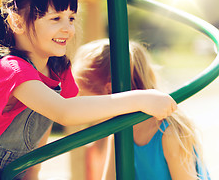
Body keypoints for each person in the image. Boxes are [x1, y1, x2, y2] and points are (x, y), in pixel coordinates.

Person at [0, 0, 177, 180]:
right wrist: (139, 100)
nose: (68, 29)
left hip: (11, 171)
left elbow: (45, 123)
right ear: (17, 22)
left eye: (71, 18)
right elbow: (64, 112)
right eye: (56, 18)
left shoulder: (58, 70)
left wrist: (33, 172)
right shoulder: (10, 69)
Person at [72, 39, 210, 180]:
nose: (83, 106)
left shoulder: (169, 134)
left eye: (83, 96)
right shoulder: (118, 133)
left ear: (109, 90)